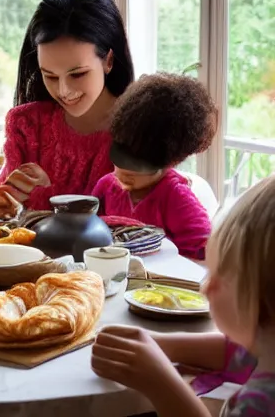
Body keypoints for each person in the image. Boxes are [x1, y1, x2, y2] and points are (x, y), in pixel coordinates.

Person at [91, 175, 275, 416]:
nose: (205, 288)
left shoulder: (262, 404)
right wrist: (163, 344)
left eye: (219, 276)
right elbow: (240, 353)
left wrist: (161, 383)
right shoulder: (267, 348)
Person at [0, 0, 135, 219]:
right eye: (50, 76)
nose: (64, 90)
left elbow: (146, 223)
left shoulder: (139, 132)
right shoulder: (27, 125)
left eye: (78, 74)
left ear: (109, 60)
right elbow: (6, 216)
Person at [91, 73, 217, 260]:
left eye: (138, 164)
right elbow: (87, 227)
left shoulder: (175, 197)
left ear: (170, 161)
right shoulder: (105, 187)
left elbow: (204, 250)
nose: (123, 172)